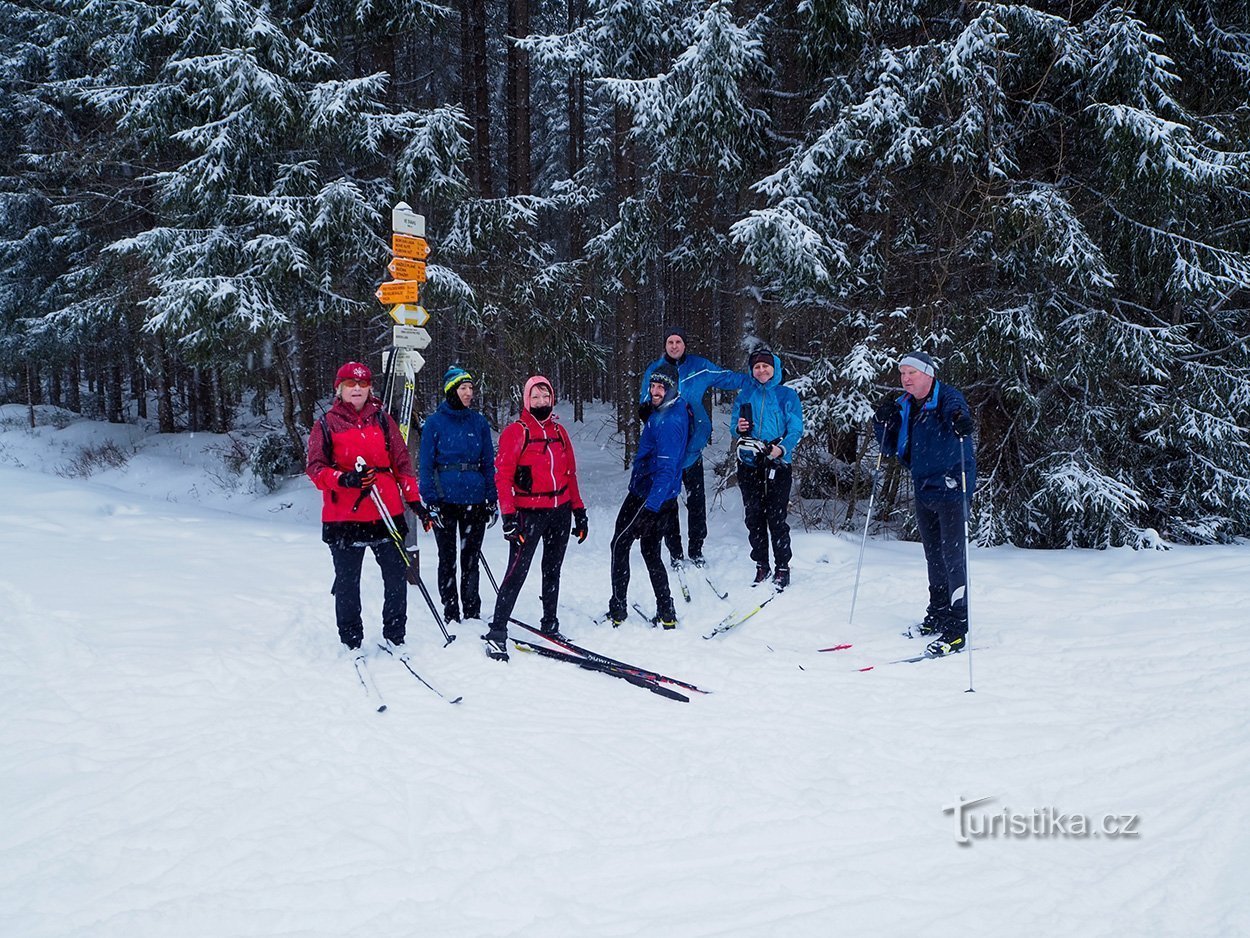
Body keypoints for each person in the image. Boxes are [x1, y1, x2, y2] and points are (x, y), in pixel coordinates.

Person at [306, 361, 425, 656]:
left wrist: (414, 501)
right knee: (348, 581)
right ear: (340, 389)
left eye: (362, 384)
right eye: (350, 384)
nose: (357, 389)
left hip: (387, 511)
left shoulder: (383, 420)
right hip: (344, 516)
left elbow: (402, 463)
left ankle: (395, 635)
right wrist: (343, 478)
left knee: (396, 577)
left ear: (370, 387)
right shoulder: (326, 424)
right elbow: (315, 469)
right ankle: (351, 639)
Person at [872, 350, 976, 657]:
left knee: (953, 556)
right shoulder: (904, 404)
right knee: (932, 553)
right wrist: (882, 420)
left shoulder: (946, 397)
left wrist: (960, 420)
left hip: (951, 483)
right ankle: (938, 612)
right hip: (923, 485)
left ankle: (958, 626)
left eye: (911, 373)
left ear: (928, 374)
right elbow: (889, 447)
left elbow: (956, 411)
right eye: (902, 373)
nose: (905, 379)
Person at [482, 375, 588, 659]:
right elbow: (502, 477)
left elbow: (570, 474)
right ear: (526, 400)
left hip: (560, 511)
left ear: (551, 398)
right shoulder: (516, 432)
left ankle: (550, 624)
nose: (541, 402)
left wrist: (579, 511)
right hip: (528, 513)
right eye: (535, 397)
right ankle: (497, 631)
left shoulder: (560, 432)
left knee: (552, 569)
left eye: (545, 397)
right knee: (517, 571)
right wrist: (508, 516)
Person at [639, 328, 748, 568]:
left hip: (691, 450)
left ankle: (696, 549)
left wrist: (757, 378)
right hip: (667, 453)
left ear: (685, 345)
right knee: (669, 503)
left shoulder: (699, 367)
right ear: (665, 345)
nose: (674, 346)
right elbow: (645, 402)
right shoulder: (654, 369)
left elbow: (727, 378)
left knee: (697, 501)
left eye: (678, 342)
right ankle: (675, 552)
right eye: (670, 342)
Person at [607, 362, 689, 628]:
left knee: (620, 545)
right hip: (663, 496)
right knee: (650, 551)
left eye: (660, 387)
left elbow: (666, 469)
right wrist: (650, 419)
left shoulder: (669, 421)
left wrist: (650, 508)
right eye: (653, 386)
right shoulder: (672, 409)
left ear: (672, 389)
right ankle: (667, 612)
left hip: (649, 495)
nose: (654, 391)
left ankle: (618, 610)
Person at [418, 366, 498, 625]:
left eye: (471, 388)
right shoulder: (434, 423)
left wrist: (491, 497)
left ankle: (472, 610)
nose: (468, 393)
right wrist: (430, 502)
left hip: (474, 499)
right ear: (451, 390)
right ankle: (451, 610)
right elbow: (426, 465)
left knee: (471, 558)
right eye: (463, 388)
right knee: (448, 558)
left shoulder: (478, 422)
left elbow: (488, 462)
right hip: (445, 500)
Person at [731, 348, 805, 591]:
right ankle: (761, 565)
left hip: (778, 464)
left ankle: (782, 566)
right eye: (757, 367)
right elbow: (734, 427)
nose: (761, 371)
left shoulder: (787, 395)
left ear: (774, 368)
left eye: (766, 366)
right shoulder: (745, 394)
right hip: (750, 464)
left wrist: (780, 449)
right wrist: (740, 428)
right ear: (752, 370)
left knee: (776, 517)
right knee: (754, 516)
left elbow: (796, 428)